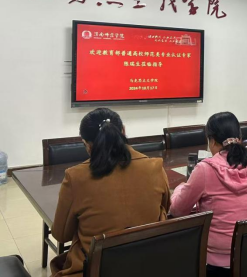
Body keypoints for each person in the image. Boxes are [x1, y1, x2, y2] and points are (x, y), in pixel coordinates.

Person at [51, 108, 170, 277]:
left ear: (87, 145)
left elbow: (61, 234)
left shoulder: (75, 177)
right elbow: (165, 208)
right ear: (123, 131)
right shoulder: (155, 167)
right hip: (147, 266)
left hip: (94, 270)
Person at [170, 112, 247, 277]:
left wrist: (180, 188)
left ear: (212, 141)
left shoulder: (205, 169)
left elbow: (178, 210)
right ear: (240, 137)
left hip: (216, 264)